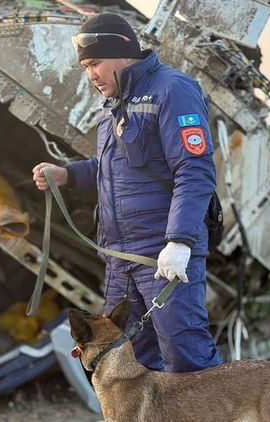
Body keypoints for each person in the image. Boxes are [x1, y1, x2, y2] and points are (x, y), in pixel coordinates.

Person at [32, 13, 221, 372]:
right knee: (128, 365)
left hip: (161, 257)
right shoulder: (113, 105)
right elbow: (113, 171)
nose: (91, 75)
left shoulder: (173, 90)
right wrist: (68, 175)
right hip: (120, 261)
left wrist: (179, 242)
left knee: (186, 358)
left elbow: (194, 169)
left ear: (122, 51)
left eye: (95, 63)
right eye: (86, 67)